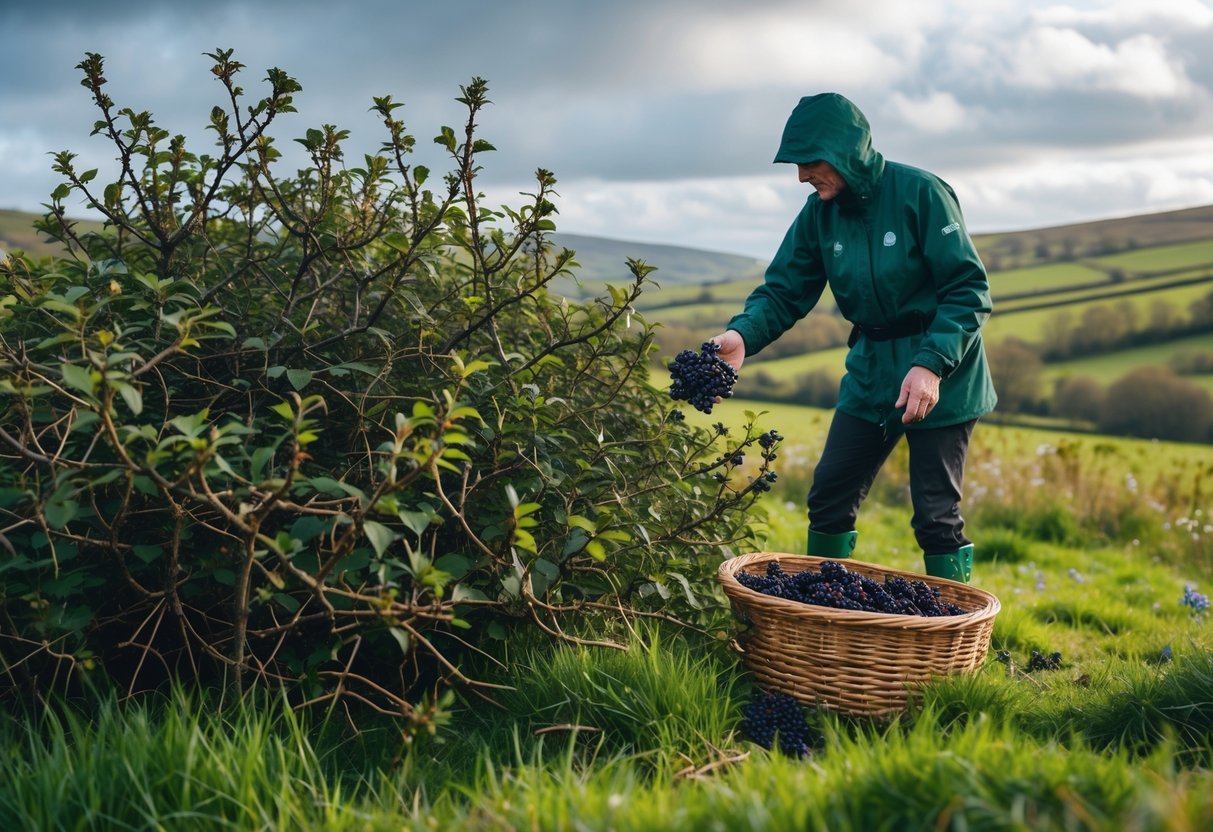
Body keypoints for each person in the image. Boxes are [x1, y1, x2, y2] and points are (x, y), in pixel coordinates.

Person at [711, 92, 997, 583]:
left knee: (935, 516)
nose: (802, 175)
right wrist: (742, 335)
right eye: (797, 164)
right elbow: (783, 291)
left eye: (811, 161)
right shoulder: (818, 214)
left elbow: (968, 290)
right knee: (829, 496)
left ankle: (956, 644)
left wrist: (931, 365)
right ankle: (824, 611)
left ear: (847, 151)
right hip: (870, 370)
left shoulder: (921, 193)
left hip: (942, 371)